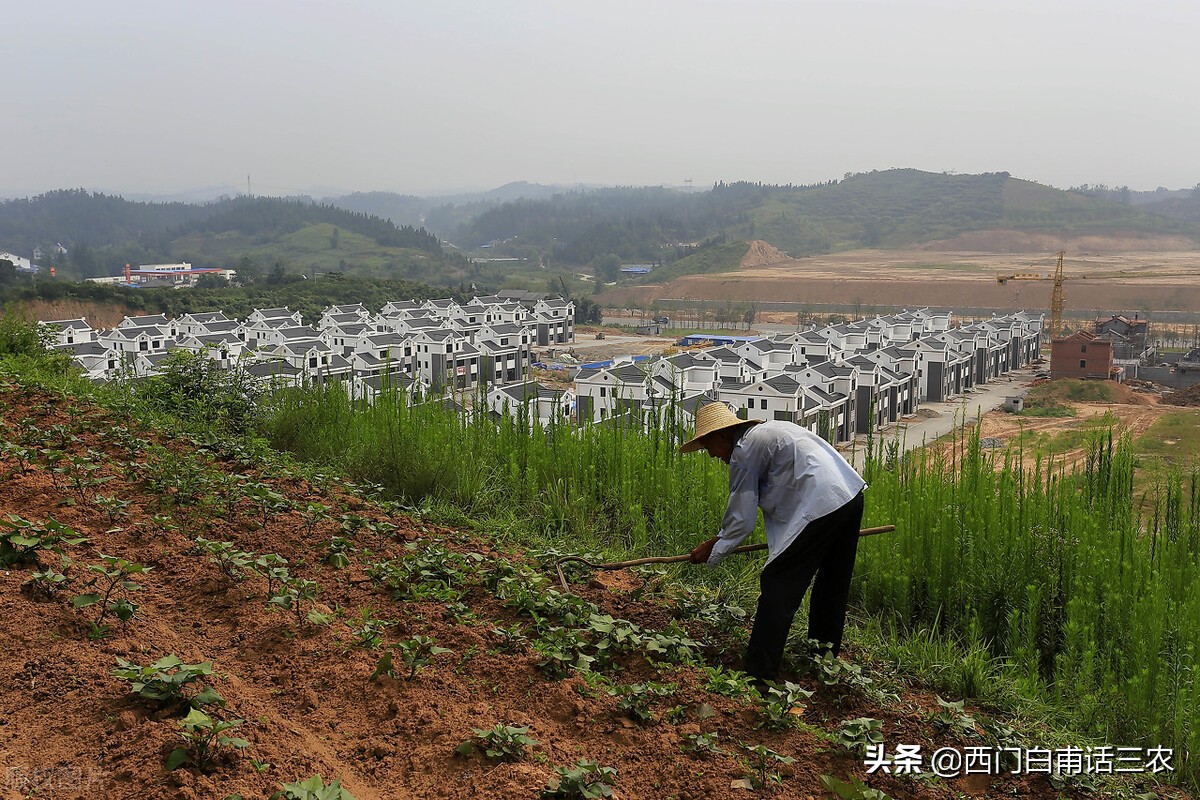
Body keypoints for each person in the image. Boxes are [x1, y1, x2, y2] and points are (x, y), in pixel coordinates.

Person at [680, 401, 866, 685]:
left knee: (778, 584)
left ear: (721, 435)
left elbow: (741, 518)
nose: (712, 456)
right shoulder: (771, 431)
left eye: (708, 448)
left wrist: (715, 548)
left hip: (820, 506)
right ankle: (823, 659)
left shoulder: (744, 451)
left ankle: (759, 676)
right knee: (832, 584)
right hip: (848, 496)